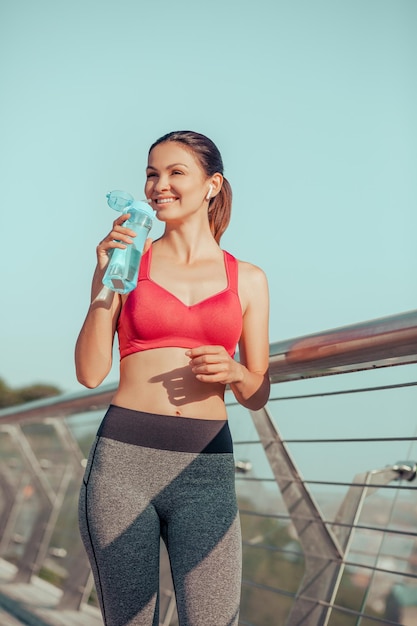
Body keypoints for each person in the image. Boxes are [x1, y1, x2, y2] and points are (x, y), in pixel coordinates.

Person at [75, 130, 270, 626]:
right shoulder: (128, 262)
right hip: (123, 465)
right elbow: (90, 370)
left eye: (175, 172)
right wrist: (102, 283)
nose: (159, 185)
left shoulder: (247, 278)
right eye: (151, 174)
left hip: (206, 470)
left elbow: (257, 391)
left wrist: (236, 372)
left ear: (212, 184)